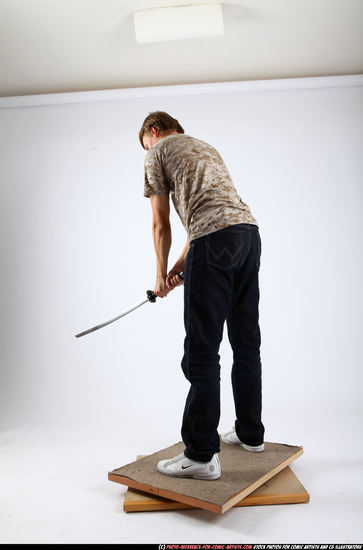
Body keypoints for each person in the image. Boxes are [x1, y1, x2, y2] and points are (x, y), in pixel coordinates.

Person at [139, 111, 265, 481]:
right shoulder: (205, 148)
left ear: (154, 132)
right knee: (245, 344)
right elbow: (208, 217)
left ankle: (200, 455)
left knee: (201, 352)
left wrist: (161, 273)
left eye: (146, 144)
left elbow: (161, 223)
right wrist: (181, 267)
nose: (146, 152)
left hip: (213, 241)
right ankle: (250, 433)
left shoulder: (157, 151)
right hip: (248, 235)